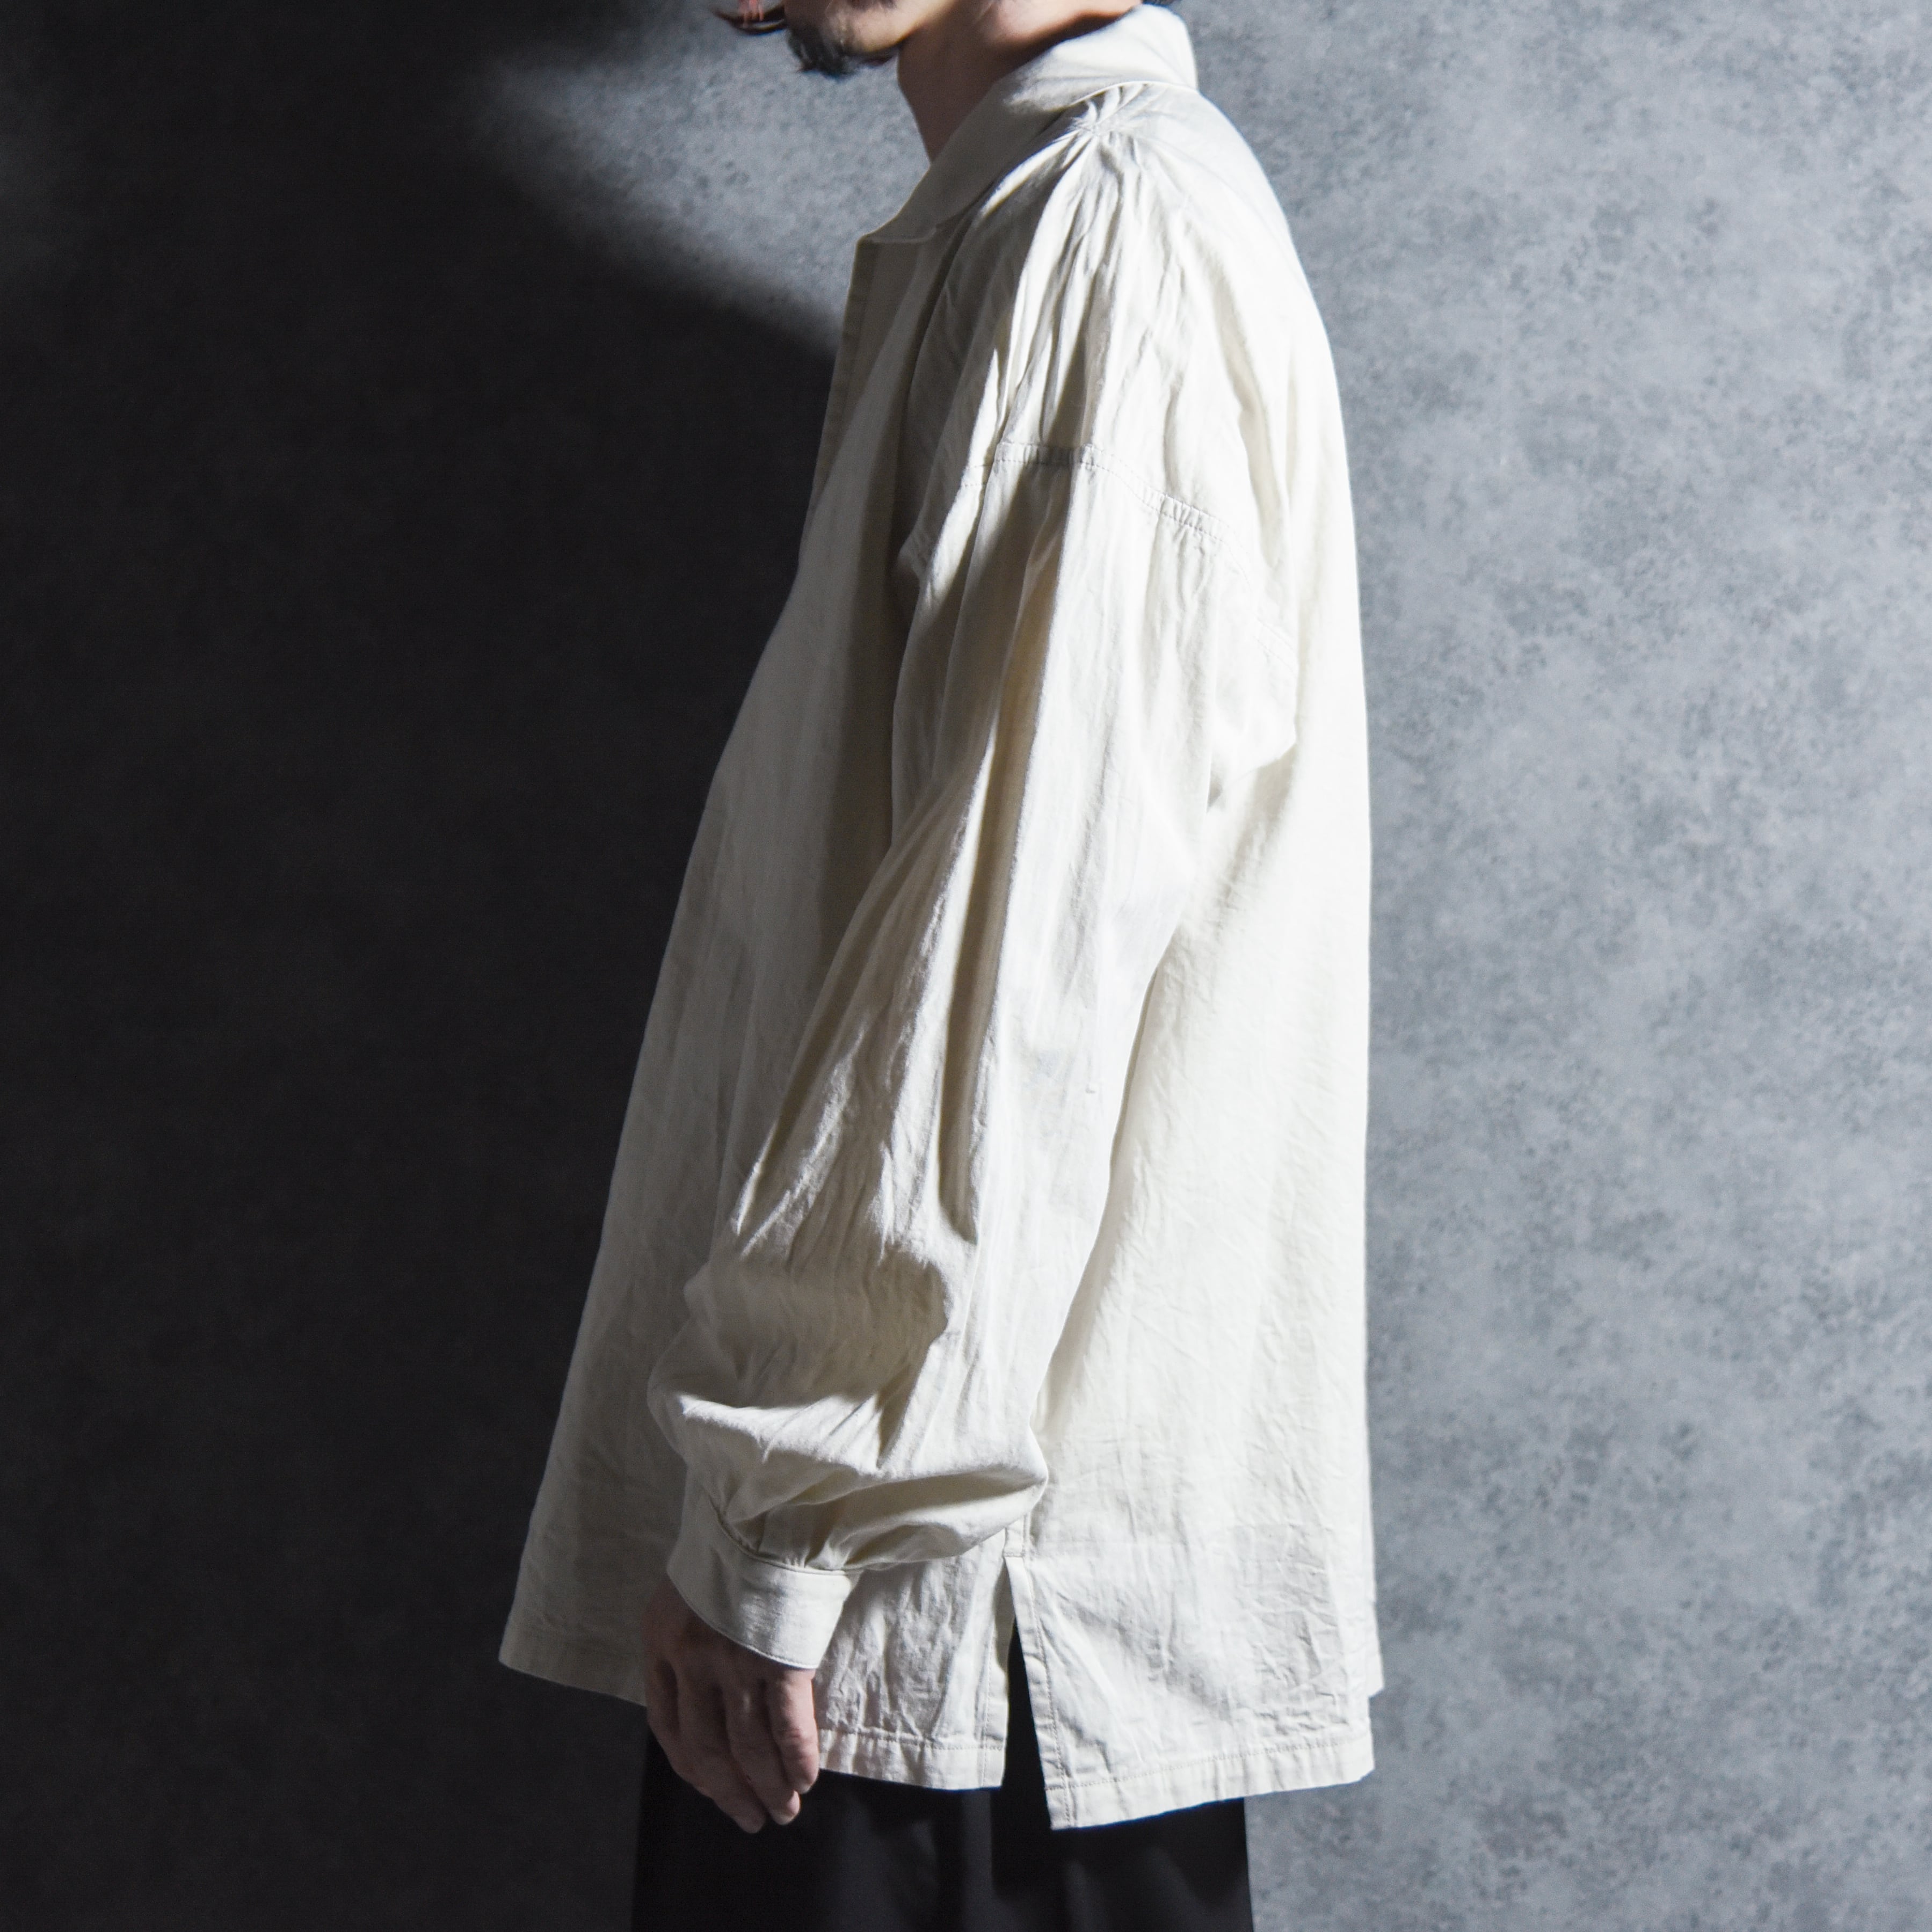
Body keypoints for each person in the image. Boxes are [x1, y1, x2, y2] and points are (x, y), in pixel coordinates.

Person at [500, 2, 1381, 1924]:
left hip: (943, 1636)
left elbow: (1021, 955)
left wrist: (788, 1518)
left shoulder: (1109, 233)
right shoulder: (1022, 221)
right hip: (906, 1610)